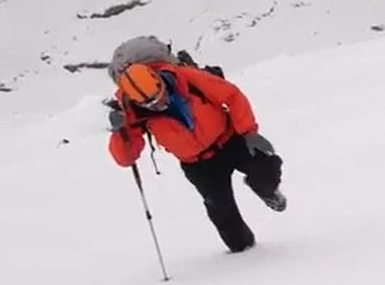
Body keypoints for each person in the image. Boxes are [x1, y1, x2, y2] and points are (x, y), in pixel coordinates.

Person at [105, 49, 286, 253]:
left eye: (159, 96)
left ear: (158, 79)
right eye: (150, 104)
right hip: (198, 164)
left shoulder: (185, 77)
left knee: (267, 166)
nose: (159, 104)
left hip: (229, 139)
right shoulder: (130, 113)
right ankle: (244, 251)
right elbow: (125, 158)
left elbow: (231, 95)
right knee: (223, 214)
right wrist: (120, 132)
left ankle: (267, 190)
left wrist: (249, 132)